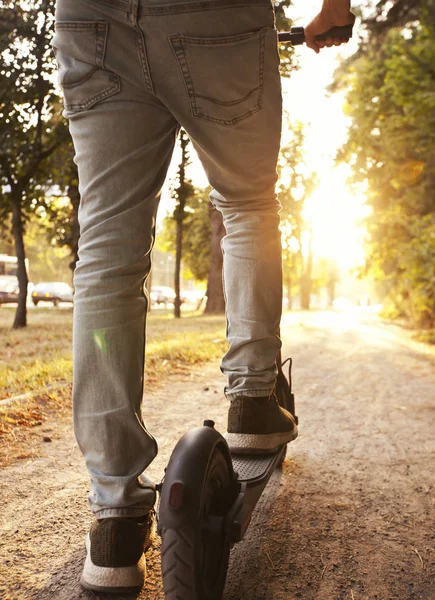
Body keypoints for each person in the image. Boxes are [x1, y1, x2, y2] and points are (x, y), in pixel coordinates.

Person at [52, 0, 354, 592]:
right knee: (246, 204)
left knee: (107, 254)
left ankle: (113, 516)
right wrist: (332, 10)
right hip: (217, 17)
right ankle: (251, 400)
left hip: (89, 18)